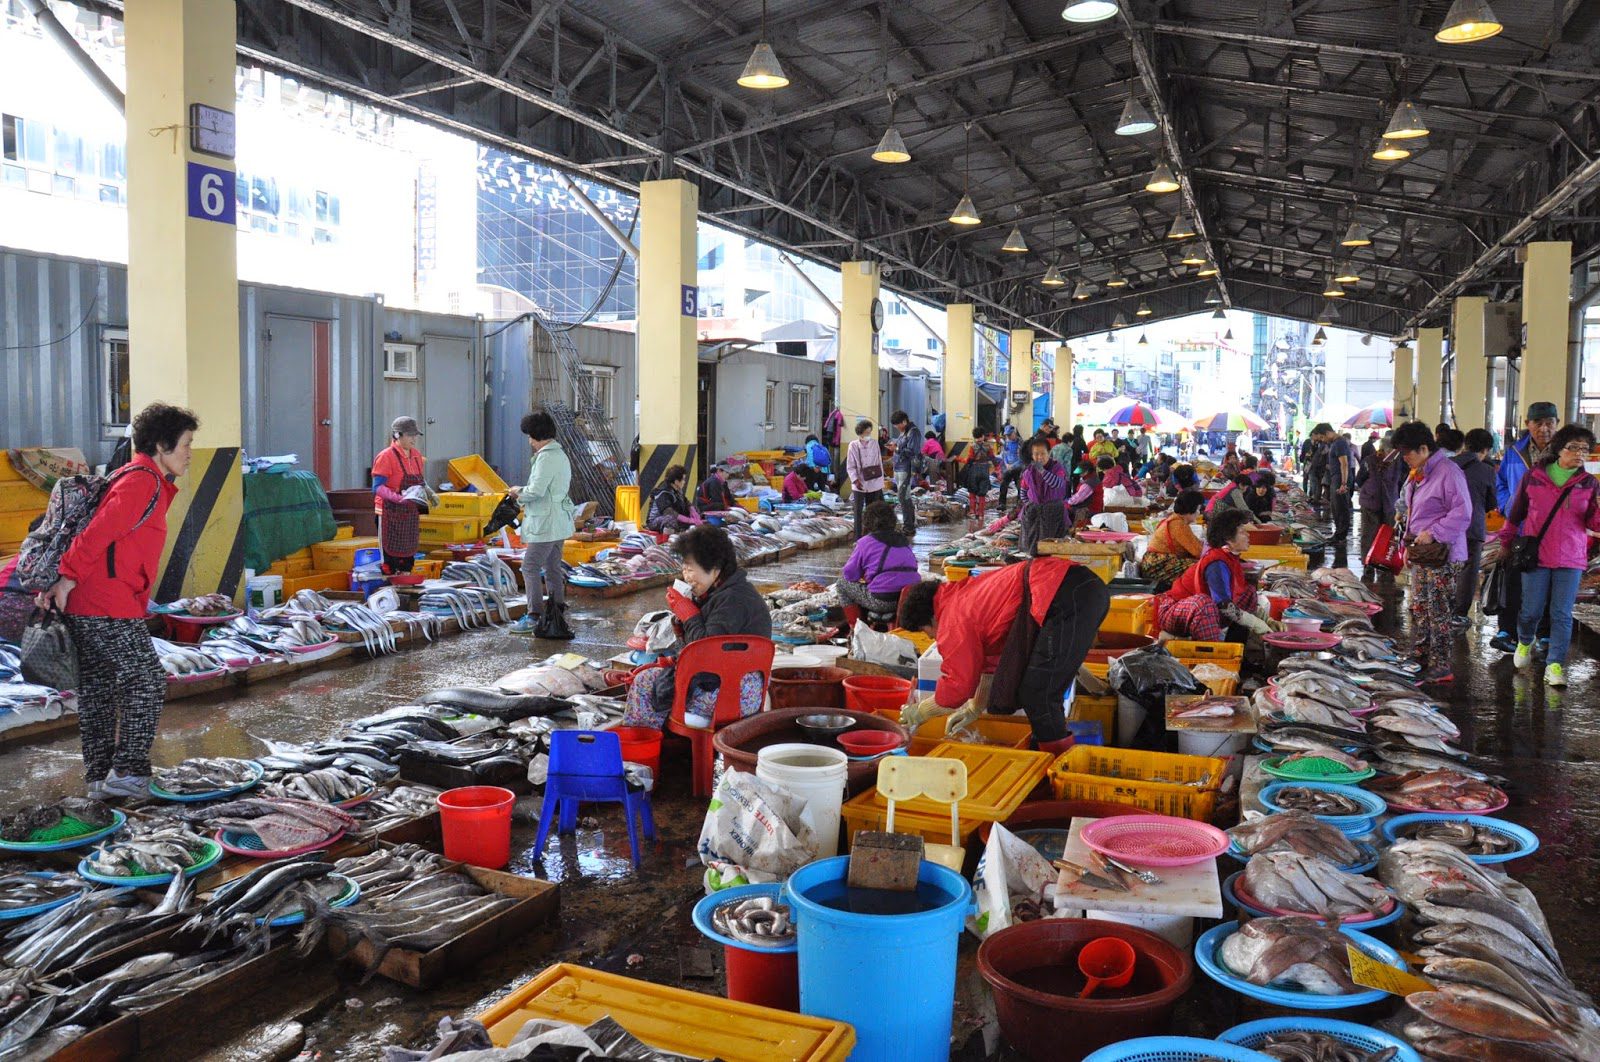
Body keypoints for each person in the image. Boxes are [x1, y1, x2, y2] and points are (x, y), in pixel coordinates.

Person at [40, 403, 195, 799]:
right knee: (146, 680)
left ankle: (100, 778)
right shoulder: (141, 481)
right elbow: (95, 534)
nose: (189, 453)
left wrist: (68, 581)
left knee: (99, 688)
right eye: (185, 444)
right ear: (161, 445)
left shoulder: (139, 476)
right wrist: (67, 577)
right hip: (104, 601)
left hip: (95, 599)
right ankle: (127, 772)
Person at [896, 558, 1110, 752]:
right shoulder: (958, 596)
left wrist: (923, 711)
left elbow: (959, 685)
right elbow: (992, 662)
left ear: (929, 620)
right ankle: (1050, 749)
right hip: (1081, 588)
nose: (932, 638)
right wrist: (976, 706)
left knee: (1038, 695)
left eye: (926, 632)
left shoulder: (953, 618)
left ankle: (1057, 768)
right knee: (1039, 689)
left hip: (1064, 595)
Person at [621, 525, 772, 729]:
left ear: (716, 569)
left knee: (643, 682)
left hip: (734, 693)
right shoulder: (726, 592)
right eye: (684, 569)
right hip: (730, 683)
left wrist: (689, 615)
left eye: (691, 570)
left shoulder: (733, 600)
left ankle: (648, 749)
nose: (686, 577)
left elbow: (705, 651)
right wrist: (681, 624)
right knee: (651, 674)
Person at [1506, 424, 1600, 687]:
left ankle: (1555, 665)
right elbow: (1516, 514)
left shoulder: (1589, 484)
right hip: (1537, 555)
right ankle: (1525, 640)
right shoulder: (1535, 477)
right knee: (1531, 611)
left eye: (1585, 449)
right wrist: (1505, 541)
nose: (1580, 454)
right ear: (1560, 449)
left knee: (1561, 613)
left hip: (1571, 557)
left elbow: (1595, 523)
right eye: (1574, 447)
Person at [1393, 421, 1470, 684]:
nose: (1405, 459)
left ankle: (1441, 664)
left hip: (1442, 555)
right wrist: (1408, 546)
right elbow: (1413, 514)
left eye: (1407, 453)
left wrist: (1434, 533)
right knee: (1421, 606)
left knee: (1438, 610)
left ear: (1424, 448)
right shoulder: (1419, 472)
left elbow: (1463, 513)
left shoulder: (1449, 472)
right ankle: (1421, 653)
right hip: (1422, 553)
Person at [1491, 401, 1560, 654]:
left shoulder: (1565, 453)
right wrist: (1506, 506)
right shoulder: (1514, 452)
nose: (1544, 428)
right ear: (1528, 425)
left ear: (1556, 424)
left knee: (1549, 584)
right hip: (1520, 529)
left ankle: (1545, 635)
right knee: (1513, 580)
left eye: (1549, 423)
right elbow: (1500, 483)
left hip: (1553, 532)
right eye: (1538, 423)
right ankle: (1506, 631)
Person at [508, 411, 577, 640]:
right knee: (552, 566)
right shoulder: (560, 455)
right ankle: (556, 611)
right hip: (558, 521)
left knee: (529, 566)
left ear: (537, 435)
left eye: (530, 436)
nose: (529, 441)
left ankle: (535, 614)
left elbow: (536, 491)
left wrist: (518, 492)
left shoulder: (547, 457)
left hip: (546, 522)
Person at [1155, 508, 1269, 643]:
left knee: (1248, 593)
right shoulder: (1217, 563)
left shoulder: (1231, 558)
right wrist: (1254, 622)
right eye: (1242, 532)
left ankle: (1236, 650)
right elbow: (1223, 605)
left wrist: (1266, 619)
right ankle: (1211, 656)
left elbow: (1237, 594)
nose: (1248, 535)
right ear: (1229, 540)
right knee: (1205, 604)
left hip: (1200, 613)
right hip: (1173, 612)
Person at [836, 501, 922, 621]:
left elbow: (849, 574)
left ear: (867, 522)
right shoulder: (903, 540)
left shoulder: (865, 542)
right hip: (910, 598)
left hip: (883, 600)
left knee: (841, 584)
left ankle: (855, 628)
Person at [1450, 428, 1498, 622]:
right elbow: (1491, 503)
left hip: (1447, 527)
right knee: (1469, 570)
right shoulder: (1486, 470)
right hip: (1472, 527)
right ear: (1486, 449)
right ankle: (1460, 614)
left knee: (1445, 567)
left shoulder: (1448, 465)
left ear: (1465, 445)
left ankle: (1440, 608)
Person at [371, 416, 429, 574]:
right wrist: (398, 498)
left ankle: (405, 581)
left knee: (408, 556)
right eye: (410, 435)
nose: (414, 439)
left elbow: (420, 481)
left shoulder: (416, 456)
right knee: (390, 559)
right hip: (388, 513)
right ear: (397, 435)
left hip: (409, 513)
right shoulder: (386, 456)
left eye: (415, 435)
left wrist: (428, 494)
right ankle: (389, 586)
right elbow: (377, 487)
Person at [1140, 490, 1206, 585]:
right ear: (1192, 508)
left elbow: (1194, 544)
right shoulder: (1178, 524)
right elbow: (1198, 551)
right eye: (1198, 509)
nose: (1199, 513)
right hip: (1157, 566)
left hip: (1154, 562)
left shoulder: (1176, 520)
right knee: (1204, 566)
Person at [1017, 436, 1070, 553]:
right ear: (1032, 455)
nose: (1039, 457)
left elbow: (1057, 484)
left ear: (1049, 453)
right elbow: (1023, 492)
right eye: (1036, 454)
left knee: (1051, 548)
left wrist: (1042, 471)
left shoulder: (1057, 468)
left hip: (1054, 514)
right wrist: (1030, 505)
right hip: (1034, 514)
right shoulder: (1028, 472)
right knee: (1031, 548)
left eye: (1043, 453)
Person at [1355, 433, 1399, 562]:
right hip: (1371, 503)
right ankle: (1368, 561)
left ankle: (1384, 562)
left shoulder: (1398, 462)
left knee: (1388, 535)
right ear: (1384, 449)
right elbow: (1360, 479)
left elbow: (1401, 482)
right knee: (1369, 534)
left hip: (1391, 503)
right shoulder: (1370, 460)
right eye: (1390, 451)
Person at [1315, 422, 1355, 546]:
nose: (1323, 440)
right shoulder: (1335, 443)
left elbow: (1344, 463)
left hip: (1340, 478)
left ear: (1327, 432)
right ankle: (1338, 534)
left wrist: (1343, 483)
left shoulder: (1339, 443)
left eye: (1322, 437)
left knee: (1341, 508)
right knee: (1336, 507)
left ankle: (1341, 536)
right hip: (1336, 477)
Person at [846, 418, 886, 538]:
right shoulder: (853, 445)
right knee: (858, 512)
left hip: (874, 482)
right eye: (866, 433)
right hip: (859, 483)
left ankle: (871, 537)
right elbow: (850, 466)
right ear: (860, 433)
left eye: (870, 432)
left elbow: (879, 462)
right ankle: (858, 538)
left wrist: (881, 480)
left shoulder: (874, 443)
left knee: (872, 511)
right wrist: (855, 480)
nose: (868, 435)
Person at [889, 410, 921, 534]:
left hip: (905, 468)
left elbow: (912, 451)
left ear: (904, 421)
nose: (897, 427)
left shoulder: (913, 432)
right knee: (904, 497)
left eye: (898, 425)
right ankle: (909, 525)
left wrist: (896, 449)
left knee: (903, 497)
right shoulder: (904, 432)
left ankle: (908, 527)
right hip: (898, 467)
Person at [645, 464, 694, 533]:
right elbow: (668, 512)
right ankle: (669, 540)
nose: (684, 482)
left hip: (673, 517)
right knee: (670, 520)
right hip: (655, 522)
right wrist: (688, 520)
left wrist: (693, 510)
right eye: (683, 479)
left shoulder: (677, 490)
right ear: (676, 481)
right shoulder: (663, 491)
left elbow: (686, 502)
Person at [963, 433, 995, 524]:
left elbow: (969, 459)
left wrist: (959, 459)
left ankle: (972, 512)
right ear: (982, 436)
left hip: (974, 470)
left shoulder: (972, 446)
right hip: (985, 470)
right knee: (982, 494)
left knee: (972, 493)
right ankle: (981, 514)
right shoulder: (988, 446)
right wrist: (997, 470)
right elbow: (993, 458)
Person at [822, 407, 847, 495]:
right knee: (835, 464)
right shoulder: (838, 415)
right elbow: (840, 425)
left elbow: (827, 427)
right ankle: (835, 482)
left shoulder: (833, 414)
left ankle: (834, 482)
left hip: (832, 442)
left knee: (833, 463)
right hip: (836, 442)